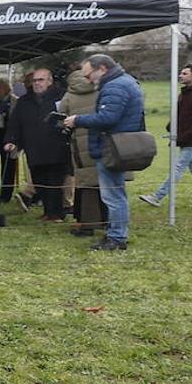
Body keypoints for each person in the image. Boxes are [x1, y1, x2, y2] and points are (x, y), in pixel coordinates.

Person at [63, 53, 146, 250]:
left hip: (112, 147)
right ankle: (116, 234)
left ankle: (117, 238)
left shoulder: (115, 86)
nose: (87, 79)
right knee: (116, 194)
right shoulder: (124, 82)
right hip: (119, 146)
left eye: (88, 74)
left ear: (102, 69)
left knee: (113, 196)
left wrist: (77, 120)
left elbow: (107, 118)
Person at [138, 63, 192, 209]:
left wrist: (189, 134)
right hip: (185, 136)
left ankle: (157, 196)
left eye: (185, 73)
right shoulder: (186, 92)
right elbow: (181, 113)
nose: (180, 75)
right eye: (181, 73)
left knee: (178, 166)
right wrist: (172, 126)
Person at [4, 68, 70, 221]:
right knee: (39, 182)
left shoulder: (61, 97)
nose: (37, 83)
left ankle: (57, 213)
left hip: (57, 148)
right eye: (34, 80)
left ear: (49, 81)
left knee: (55, 182)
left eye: (40, 80)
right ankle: (48, 212)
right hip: (33, 149)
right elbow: (15, 124)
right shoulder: (24, 102)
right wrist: (11, 141)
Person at [57, 65, 106, 236]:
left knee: (86, 184)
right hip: (101, 141)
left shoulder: (69, 95)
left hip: (80, 145)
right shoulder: (100, 89)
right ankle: (108, 221)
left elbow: (60, 117)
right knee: (105, 182)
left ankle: (88, 224)